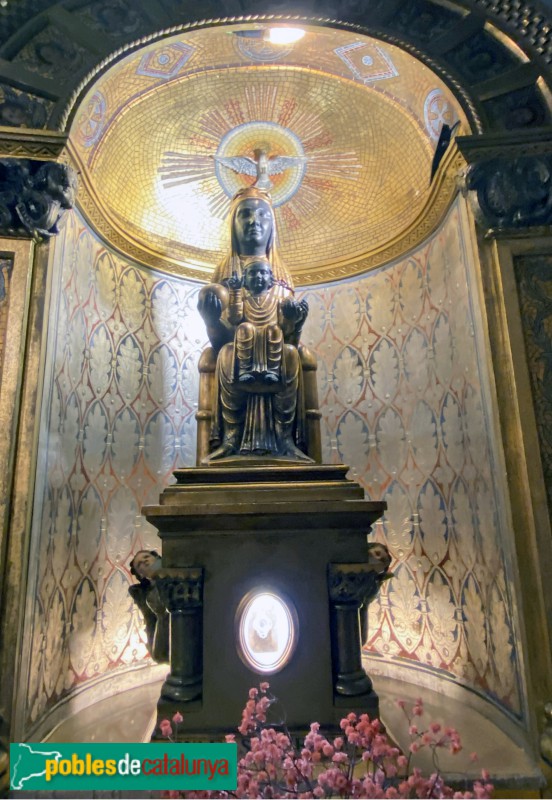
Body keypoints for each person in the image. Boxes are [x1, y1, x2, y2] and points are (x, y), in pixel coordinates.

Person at [197, 186, 311, 461]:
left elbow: (288, 336)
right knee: (226, 354)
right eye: (245, 214)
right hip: (235, 348)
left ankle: (286, 440)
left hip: (275, 349)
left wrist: (295, 324)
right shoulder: (225, 273)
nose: (254, 221)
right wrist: (211, 319)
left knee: (293, 355)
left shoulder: (282, 274)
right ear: (233, 223)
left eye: (262, 215)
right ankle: (230, 439)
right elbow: (222, 337)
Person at [128, 550, 169, 663]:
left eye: (146, 557)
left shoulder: (172, 574)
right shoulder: (147, 595)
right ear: (140, 574)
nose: (144, 561)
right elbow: (151, 622)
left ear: (157, 558)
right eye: (139, 564)